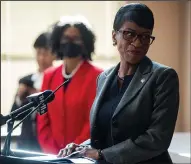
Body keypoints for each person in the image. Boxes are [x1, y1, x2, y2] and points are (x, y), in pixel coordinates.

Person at [58, 3, 180, 164]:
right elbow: (105, 135)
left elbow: (157, 138)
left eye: (145, 36)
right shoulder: (104, 77)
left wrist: (102, 155)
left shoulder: (163, 77)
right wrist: (81, 148)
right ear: (114, 36)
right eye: (130, 34)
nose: (137, 43)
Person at [37, 15, 103, 154]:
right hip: (51, 156)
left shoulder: (97, 76)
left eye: (76, 38)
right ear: (57, 41)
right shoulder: (49, 75)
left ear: (85, 42)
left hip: (81, 155)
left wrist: (73, 151)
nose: (70, 42)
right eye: (66, 38)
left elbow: (92, 122)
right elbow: (42, 118)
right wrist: (54, 153)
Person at [10, 32, 55, 152]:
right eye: (38, 53)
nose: (41, 58)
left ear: (54, 55)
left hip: (50, 143)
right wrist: (19, 97)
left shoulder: (58, 81)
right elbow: (15, 114)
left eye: (45, 53)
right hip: (26, 142)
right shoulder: (26, 80)